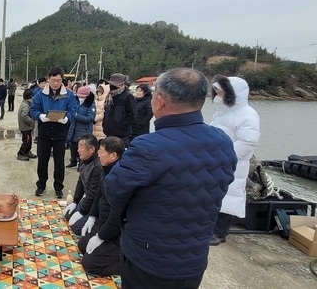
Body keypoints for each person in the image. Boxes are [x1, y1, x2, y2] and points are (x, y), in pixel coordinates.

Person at [103, 68, 237, 288]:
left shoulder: (148, 147)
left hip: (149, 258)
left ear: (161, 101)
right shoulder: (222, 141)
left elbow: (114, 190)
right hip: (194, 258)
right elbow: (221, 183)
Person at [209, 75, 261, 246]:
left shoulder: (248, 115)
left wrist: (225, 156)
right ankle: (210, 227)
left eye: (220, 92)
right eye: (216, 92)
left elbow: (247, 142)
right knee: (214, 196)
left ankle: (220, 232)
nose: (217, 95)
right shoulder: (221, 113)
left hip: (233, 163)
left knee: (229, 197)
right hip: (216, 160)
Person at [77, 136, 126, 276]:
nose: (98, 154)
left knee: (89, 263)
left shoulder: (120, 178)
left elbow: (116, 218)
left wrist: (100, 237)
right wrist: (92, 216)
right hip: (102, 222)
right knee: (83, 245)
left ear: (113, 155)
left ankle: (126, 264)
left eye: (101, 151)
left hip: (116, 233)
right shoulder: (107, 170)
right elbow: (98, 194)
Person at [30, 66, 79, 198]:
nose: (55, 83)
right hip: (44, 132)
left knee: (59, 163)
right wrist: (40, 116)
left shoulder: (68, 94)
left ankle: (58, 187)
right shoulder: (40, 94)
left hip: (60, 133)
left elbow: (73, 109)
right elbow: (33, 109)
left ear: (62, 79)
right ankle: (41, 185)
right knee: (42, 161)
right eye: (53, 80)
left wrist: (68, 118)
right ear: (48, 79)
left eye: (58, 80)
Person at [62, 134, 103, 235]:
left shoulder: (97, 167)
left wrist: (82, 212)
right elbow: (80, 181)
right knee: (68, 215)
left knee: (76, 228)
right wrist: (75, 201)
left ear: (92, 149)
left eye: (81, 146)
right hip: (86, 199)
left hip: (95, 205)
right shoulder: (84, 160)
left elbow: (93, 194)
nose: (78, 150)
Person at [102, 73, 137, 147]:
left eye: (115, 85)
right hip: (109, 133)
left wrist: (121, 126)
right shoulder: (110, 96)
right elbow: (106, 112)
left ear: (122, 84)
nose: (112, 86)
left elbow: (133, 115)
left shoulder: (128, 96)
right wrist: (104, 124)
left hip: (122, 135)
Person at [66, 86, 96, 168]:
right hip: (73, 129)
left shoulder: (91, 105)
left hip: (84, 130)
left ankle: (81, 164)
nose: (81, 98)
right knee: (73, 146)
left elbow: (90, 118)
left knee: (82, 148)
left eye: (83, 97)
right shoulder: (74, 102)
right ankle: (73, 161)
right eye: (79, 96)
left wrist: (77, 116)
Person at [17, 89, 37, 161]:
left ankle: (27, 152)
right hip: (25, 127)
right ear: (30, 97)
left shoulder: (26, 103)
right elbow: (24, 116)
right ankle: (21, 153)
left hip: (27, 127)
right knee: (26, 141)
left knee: (29, 140)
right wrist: (31, 121)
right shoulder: (26, 106)